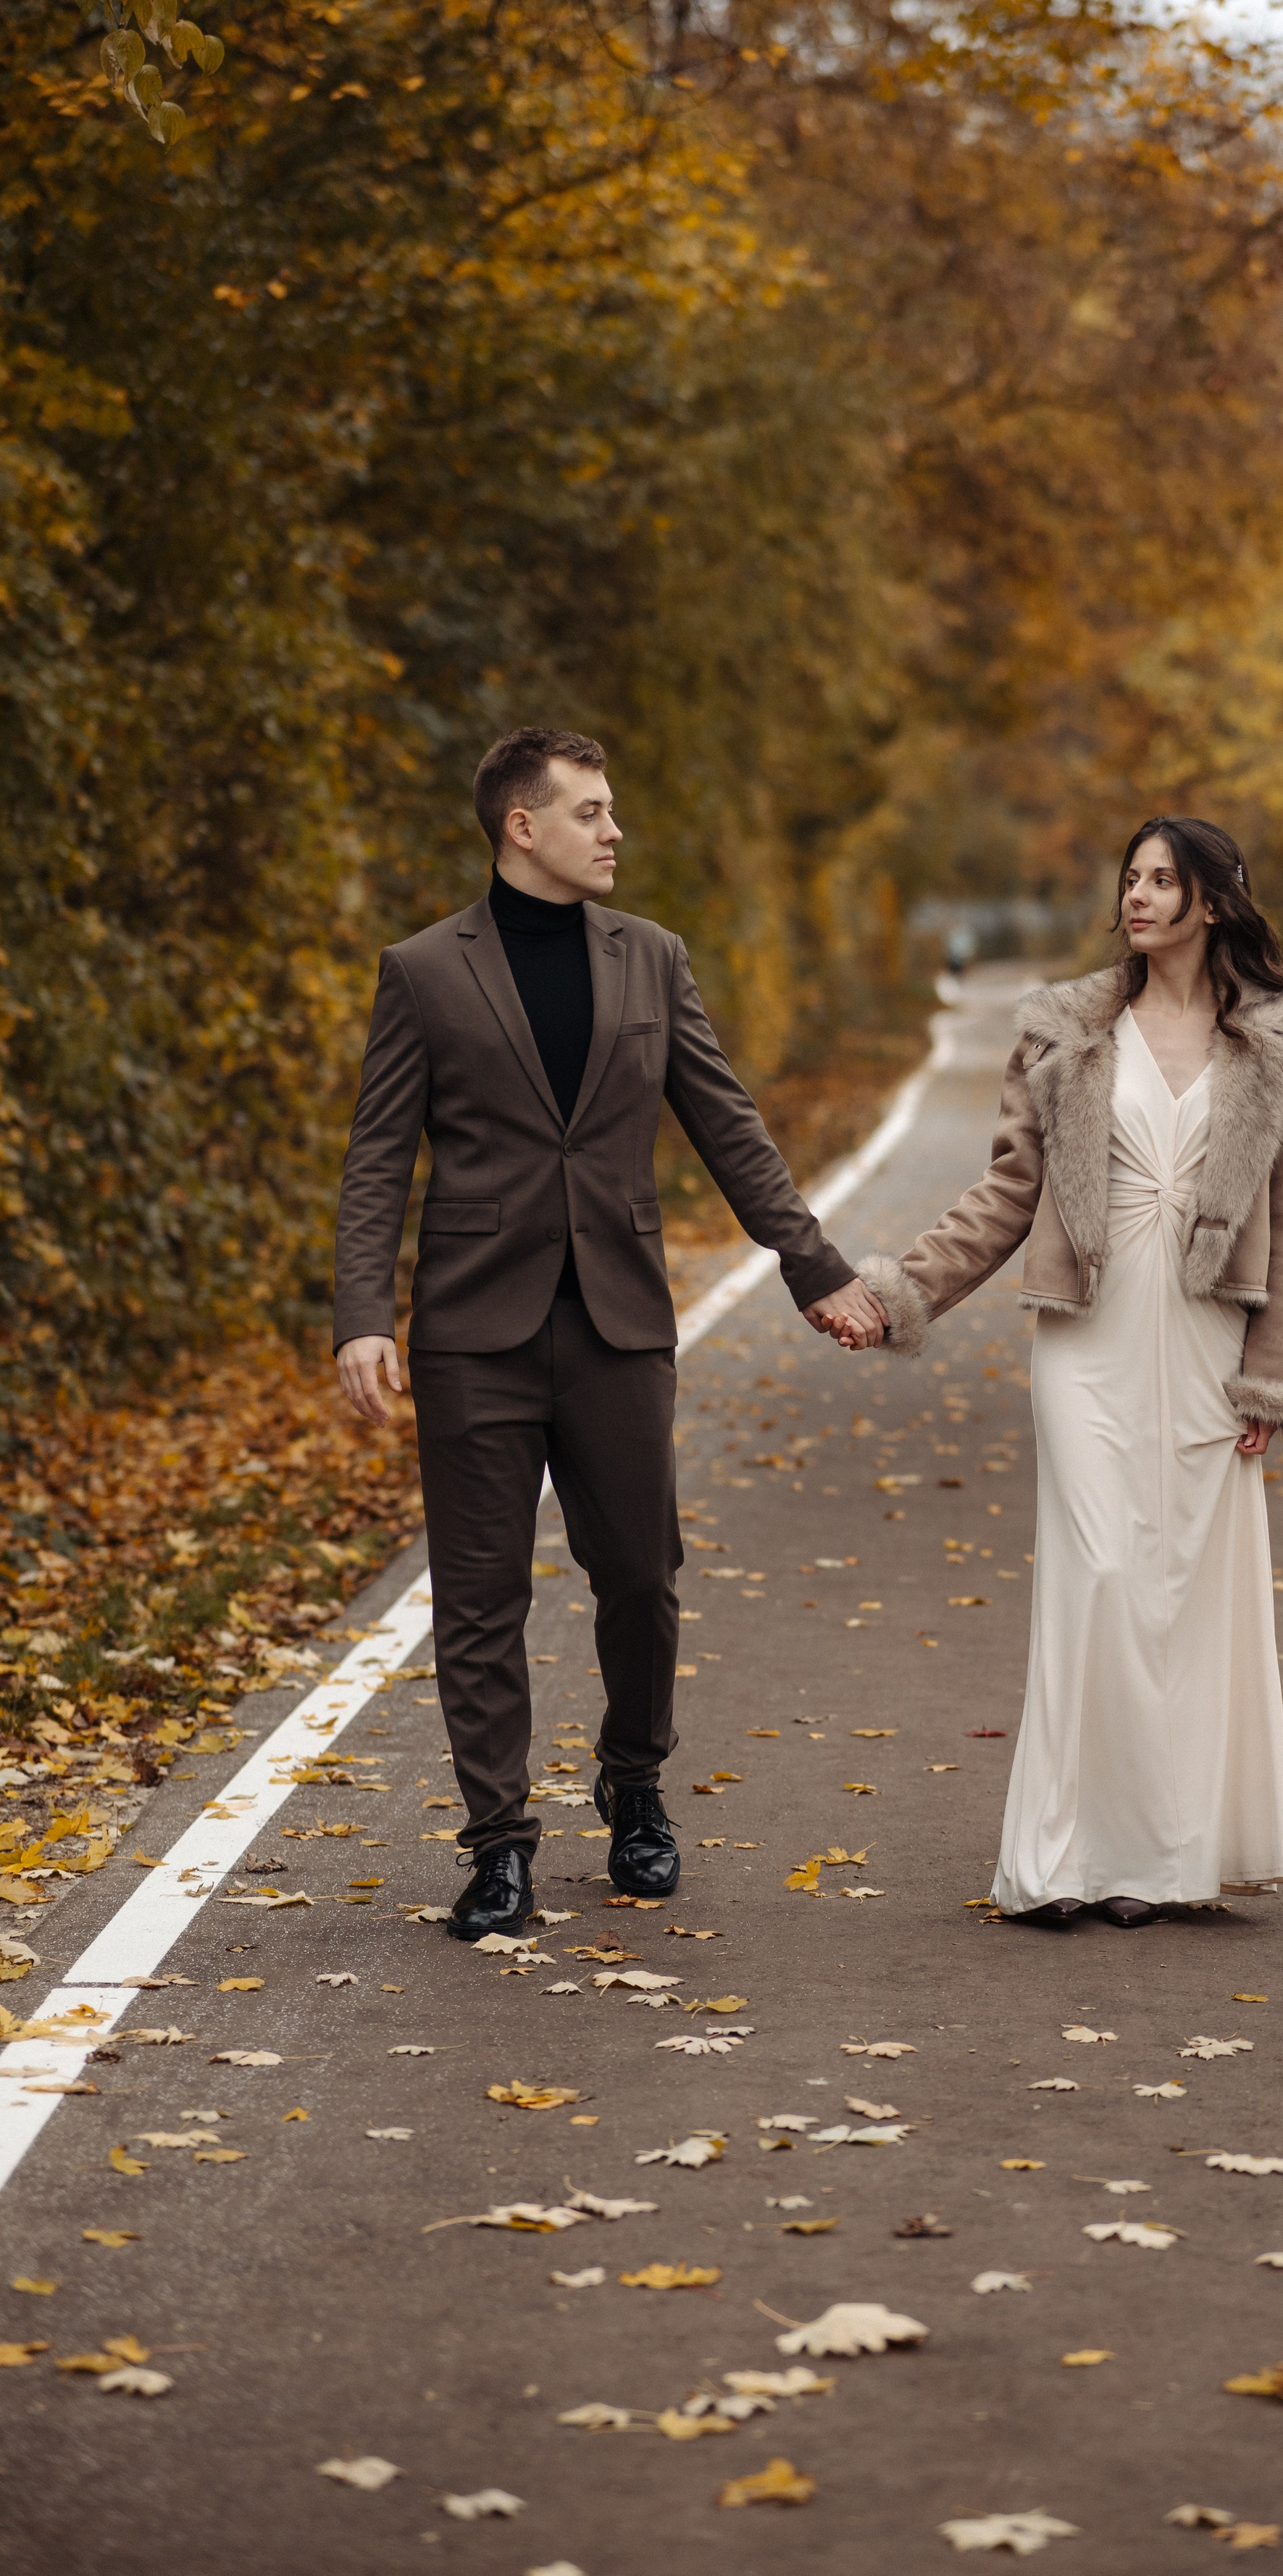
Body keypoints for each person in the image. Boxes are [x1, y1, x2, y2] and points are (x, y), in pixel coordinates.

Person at [333, 728, 887, 1941]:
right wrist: (362, 1315)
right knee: (480, 1598)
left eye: (612, 808)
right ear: (522, 825)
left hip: (619, 1325)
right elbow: (379, 1155)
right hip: (473, 1330)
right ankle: (498, 1847)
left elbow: (727, 1124)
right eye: (590, 810)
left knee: (640, 1574)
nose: (613, 829)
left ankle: (634, 1786)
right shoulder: (423, 971)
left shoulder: (653, 959)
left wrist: (814, 1267)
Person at [856, 817, 1283, 1927]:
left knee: (1179, 1594)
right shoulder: (1064, 1034)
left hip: (1208, 1340)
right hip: (1087, 1338)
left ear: (1214, 900)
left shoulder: (1279, 1045)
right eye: (1132, 878)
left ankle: (1155, 1861)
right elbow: (1006, 1194)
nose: (1139, 896)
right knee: (1100, 1572)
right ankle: (1061, 1856)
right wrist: (900, 1291)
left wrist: (1274, 1377)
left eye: (1163, 880)